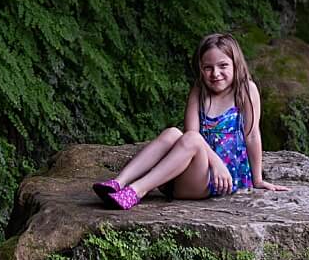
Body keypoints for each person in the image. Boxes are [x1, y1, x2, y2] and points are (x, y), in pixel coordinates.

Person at [93, 32, 289, 210]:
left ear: (236, 64)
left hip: (217, 179)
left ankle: (137, 191)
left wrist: (257, 178)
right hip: (184, 174)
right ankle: (119, 182)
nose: (215, 73)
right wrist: (215, 161)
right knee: (172, 133)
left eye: (223, 66)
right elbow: (190, 134)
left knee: (192, 139)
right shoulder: (199, 90)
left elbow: (252, 135)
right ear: (200, 69)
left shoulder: (246, 90)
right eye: (208, 68)